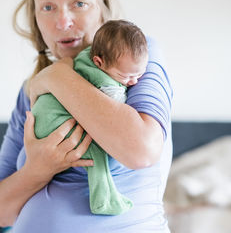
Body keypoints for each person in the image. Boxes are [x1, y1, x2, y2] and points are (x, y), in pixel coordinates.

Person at [0, 0, 173, 232]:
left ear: (103, 9)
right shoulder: (30, 91)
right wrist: (37, 170)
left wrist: (57, 76)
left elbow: (141, 150)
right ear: (36, 19)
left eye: (79, 3)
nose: (62, 22)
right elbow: (2, 214)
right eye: (48, 7)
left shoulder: (137, 57)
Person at [31, 19, 148, 215]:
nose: (134, 81)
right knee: (96, 155)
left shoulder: (90, 55)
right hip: (52, 123)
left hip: (45, 118)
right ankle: (103, 199)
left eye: (140, 74)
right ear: (98, 62)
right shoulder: (106, 83)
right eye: (126, 76)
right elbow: (116, 116)